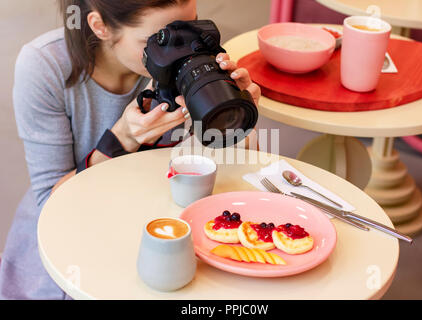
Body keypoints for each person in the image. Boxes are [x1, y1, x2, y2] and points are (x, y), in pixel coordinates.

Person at [0, 0, 261, 299]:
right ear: (100, 27)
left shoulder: (198, 61)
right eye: (160, 40)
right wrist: (122, 138)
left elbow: (232, 172)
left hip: (162, 231)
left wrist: (236, 116)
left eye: (190, 26)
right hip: (76, 235)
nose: (184, 48)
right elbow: (51, 200)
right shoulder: (46, 66)